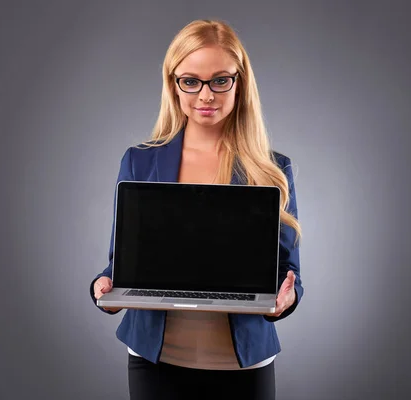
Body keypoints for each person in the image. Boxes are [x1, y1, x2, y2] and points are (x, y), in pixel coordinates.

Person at [90, 19, 303, 400]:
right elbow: (120, 263)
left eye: (220, 80)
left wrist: (284, 300)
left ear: (240, 83)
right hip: (155, 361)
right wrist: (103, 287)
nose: (206, 95)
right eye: (191, 81)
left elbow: (289, 273)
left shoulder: (272, 168)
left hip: (244, 365)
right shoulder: (140, 161)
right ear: (173, 84)